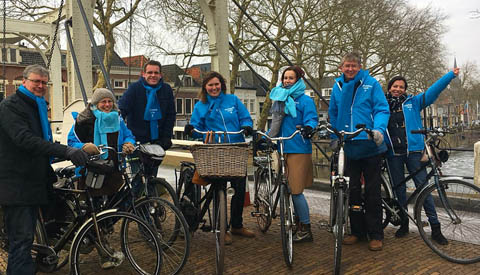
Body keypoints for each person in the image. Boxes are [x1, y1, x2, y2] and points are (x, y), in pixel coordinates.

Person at [0, 64, 89, 275]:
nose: (40, 86)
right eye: (35, 81)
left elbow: (42, 141)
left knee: (43, 227)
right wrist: (66, 151)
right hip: (17, 183)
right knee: (21, 242)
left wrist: (72, 150)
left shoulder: (38, 105)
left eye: (43, 82)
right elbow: (25, 139)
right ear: (24, 82)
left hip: (34, 179)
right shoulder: (11, 106)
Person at [385, 68, 460, 244]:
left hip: (414, 152)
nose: (398, 89)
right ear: (389, 88)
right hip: (393, 153)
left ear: (405, 89)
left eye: (401, 87)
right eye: (395, 86)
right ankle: (404, 223)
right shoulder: (381, 104)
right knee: (399, 191)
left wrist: (450, 75)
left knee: (424, 189)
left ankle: (435, 227)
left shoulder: (414, 102)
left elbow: (433, 91)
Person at [184, 71, 255, 245]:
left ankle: (237, 225)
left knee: (239, 189)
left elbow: (245, 117)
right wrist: (192, 130)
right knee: (218, 190)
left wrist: (246, 127)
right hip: (215, 151)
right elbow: (196, 126)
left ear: (221, 85)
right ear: (205, 87)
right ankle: (220, 228)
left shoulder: (232, 100)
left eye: (217, 84)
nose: (214, 88)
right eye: (210, 85)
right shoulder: (201, 105)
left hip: (235, 149)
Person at [328, 52, 390, 251]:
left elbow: (382, 109)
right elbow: (334, 112)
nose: (350, 69)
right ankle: (357, 231)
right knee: (351, 190)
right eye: (347, 65)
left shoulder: (371, 84)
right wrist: (334, 136)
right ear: (341, 67)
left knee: (372, 191)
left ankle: (375, 234)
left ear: (360, 67)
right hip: (349, 144)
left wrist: (379, 130)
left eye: (354, 65)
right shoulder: (337, 87)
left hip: (370, 143)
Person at [264, 65, 318, 242]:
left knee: (295, 190)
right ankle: (293, 218)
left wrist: (309, 127)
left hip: (298, 148)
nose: (287, 81)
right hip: (281, 148)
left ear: (298, 80)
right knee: (284, 187)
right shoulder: (279, 97)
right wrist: (268, 138)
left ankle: (306, 227)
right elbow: (275, 123)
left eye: (291, 78)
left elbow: (312, 118)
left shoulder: (305, 100)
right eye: (285, 78)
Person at [118, 60, 175, 194]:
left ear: (161, 75)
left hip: (156, 143)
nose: (153, 75)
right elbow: (122, 111)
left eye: (156, 72)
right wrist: (125, 137)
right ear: (143, 74)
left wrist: (166, 137)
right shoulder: (135, 89)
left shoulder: (166, 90)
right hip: (137, 142)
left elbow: (170, 115)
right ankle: (134, 210)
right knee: (138, 180)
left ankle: (149, 210)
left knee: (151, 179)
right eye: (150, 72)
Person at [68, 88, 136, 197]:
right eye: (103, 102)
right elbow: (71, 142)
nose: (107, 105)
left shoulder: (118, 119)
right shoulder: (84, 120)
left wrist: (128, 143)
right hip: (91, 171)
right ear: (95, 103)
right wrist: (84, 146)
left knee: (116, 205)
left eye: (110, 101)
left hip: (114, 170)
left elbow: (128, 135)